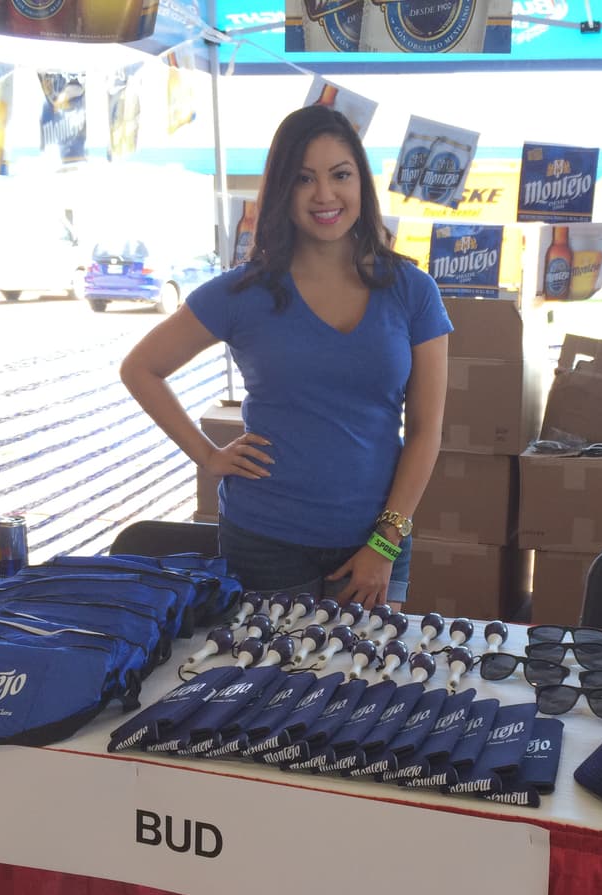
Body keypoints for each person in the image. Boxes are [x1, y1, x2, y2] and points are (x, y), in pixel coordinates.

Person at [121, 105, 451, 610]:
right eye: (303, 178)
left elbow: (426, 432)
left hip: (375, 540)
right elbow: (140, 368)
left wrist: (385, 543)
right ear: (281, 189)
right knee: (266, 665)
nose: (325, 195)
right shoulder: (241, 292)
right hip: (264, 541)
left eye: (340, 175)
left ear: (361, 183)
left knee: (368, 664)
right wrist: (208, 456)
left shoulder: (412, 290)